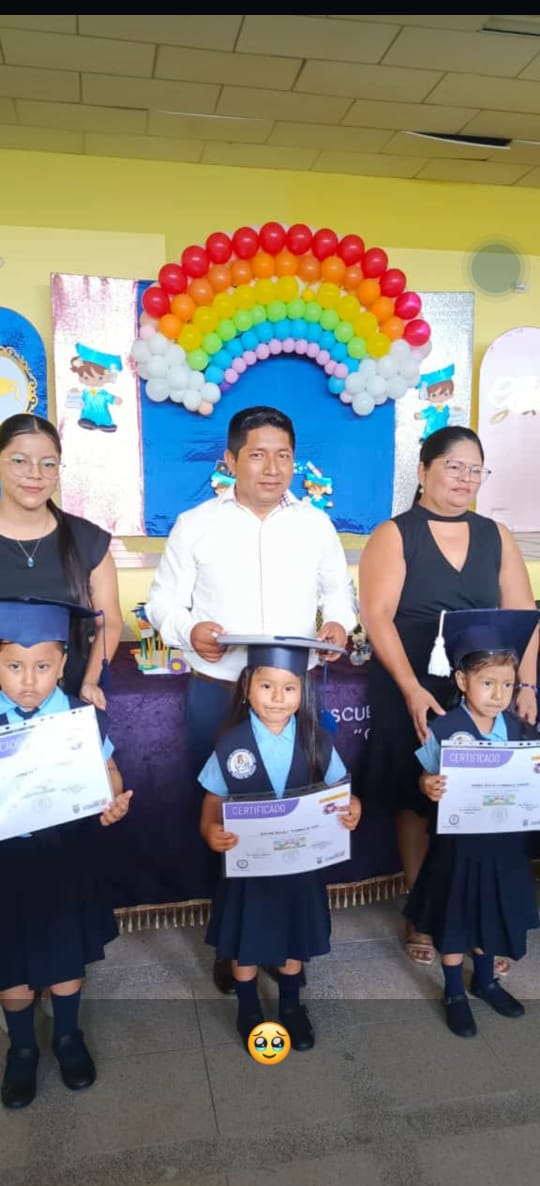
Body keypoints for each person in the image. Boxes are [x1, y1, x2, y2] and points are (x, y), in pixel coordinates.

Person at [145, 405, 358, 993]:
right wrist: (188, 630)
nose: (272, 468)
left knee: (299, 807)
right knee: (226, 817)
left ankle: (288, 938)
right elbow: (163, 602)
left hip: (295, 693)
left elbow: (340, 593)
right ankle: (233, 940)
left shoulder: (315, 524)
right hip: (220, 690)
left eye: (283, 455)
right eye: (258, 455)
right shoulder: (196, 524)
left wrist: (339, 623)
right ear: (230, 459)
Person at [358, 425, 538, 970]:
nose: (465, 478)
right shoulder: (395, 533)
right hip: (413, 682)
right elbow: (377, 617)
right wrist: (411, 688)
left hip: (484, 690)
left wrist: (525, 685)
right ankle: (421, 909)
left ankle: (478, 917)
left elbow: (525, 616)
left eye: (475, 469)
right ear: (423, 470)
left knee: (480, 798)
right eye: (453, 466)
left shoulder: (496, 534)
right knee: (417, 795)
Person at [198, 635, 361, 1052]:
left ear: (302, 692)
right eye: (266, 686)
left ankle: (290, 1004)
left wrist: (353, 808)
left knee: (293, 939)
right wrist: (210, 829)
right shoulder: (230, 744)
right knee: (246, 942)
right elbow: (213, 800)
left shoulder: (317, 741)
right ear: (247, 687)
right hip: (247, 870)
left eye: (289, 688)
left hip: (299, 867)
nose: (277, 697)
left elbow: (342, 791)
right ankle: (248, 1007)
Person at [0, 598, 133, 1110]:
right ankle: (22, 1048)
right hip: (6, 866)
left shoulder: (81, 720)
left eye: (41, 666)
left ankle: (68, 1036)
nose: (27, 681)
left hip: (64, 859)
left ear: (62, 666)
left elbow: (110, 773)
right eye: (14, 666)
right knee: (9, 966)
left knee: (64, 957)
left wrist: (113, 799)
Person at [404, 607, 540, 1038]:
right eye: (487, 683)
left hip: (503, 848)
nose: (499, 694)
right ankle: (453, 992)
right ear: (462, 681)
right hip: (457, 850)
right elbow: (422, 777)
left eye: (507, 684)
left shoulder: (520, 730)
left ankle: (485, 981)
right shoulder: (443, 729)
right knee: (455, 917)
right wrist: (427, 785)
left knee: (490, 917)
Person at [0, 413, 123, 707]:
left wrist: (90, 682)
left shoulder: (89, 541)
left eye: (48, 464)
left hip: (66, 703)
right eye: (20, 461)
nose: (35, 474)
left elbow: (110, 622)